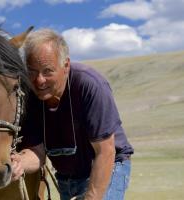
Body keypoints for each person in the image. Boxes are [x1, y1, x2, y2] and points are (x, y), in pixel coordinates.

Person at [11, 28, 134, 200]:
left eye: (47, 71)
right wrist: (20, 163)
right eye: (32, 71)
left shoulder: (89, 85)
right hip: (67, 177)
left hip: (107, 166)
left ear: (66, 66)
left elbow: (105, 151)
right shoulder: (30, 97)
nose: (39, 80)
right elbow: (36, 152)